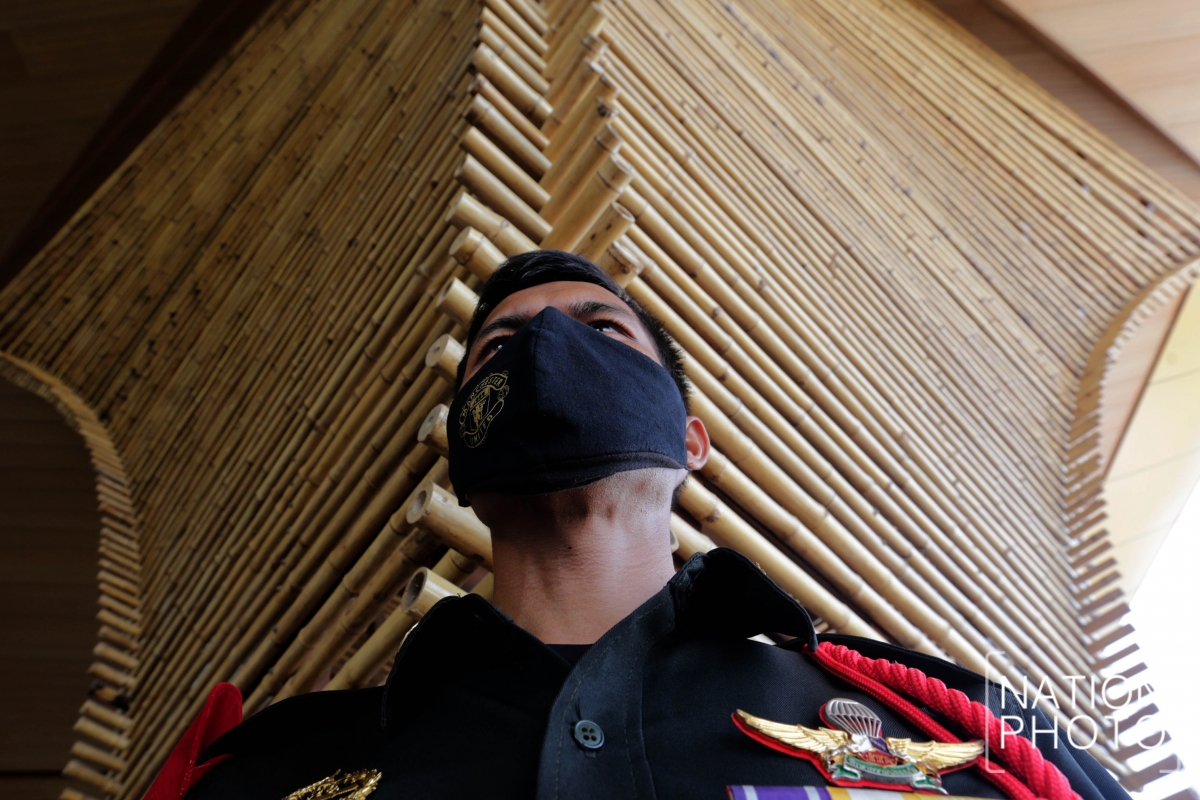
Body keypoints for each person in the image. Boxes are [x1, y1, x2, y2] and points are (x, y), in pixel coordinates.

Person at [159, 251, 1128, 800]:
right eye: (499, 345)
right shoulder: (273, 769)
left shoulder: (959, 728)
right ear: (463, 453)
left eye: (601, 331)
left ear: (690, 440)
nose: (546, 347)